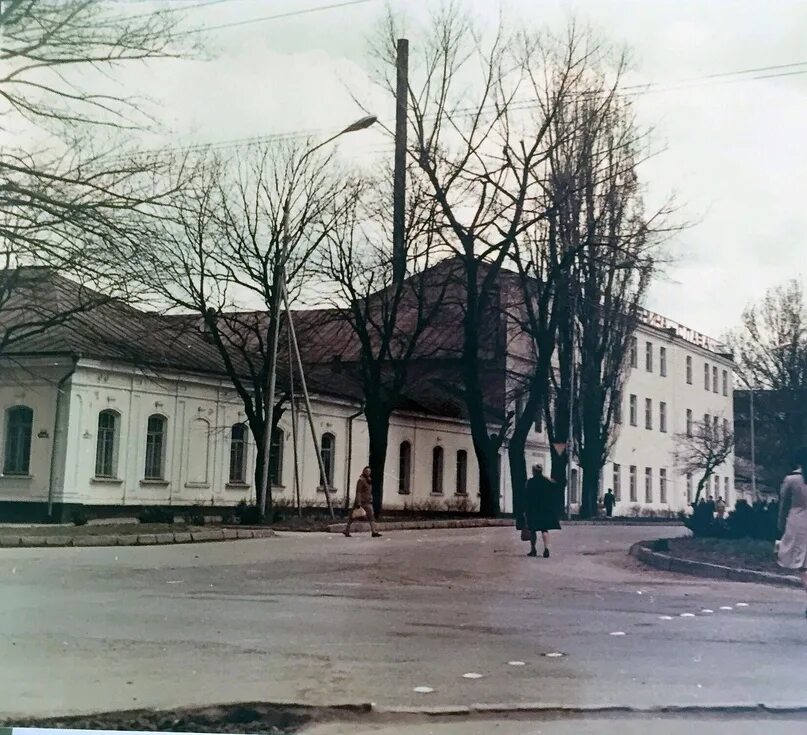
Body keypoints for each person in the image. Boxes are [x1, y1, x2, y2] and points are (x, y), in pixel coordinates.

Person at [776, 446, 807, 615]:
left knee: (801, 564)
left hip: (798, 522)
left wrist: (779, 525)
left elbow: (783, 504)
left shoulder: (791, 480)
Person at [523, 464, 561, 558]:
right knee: (544, 530)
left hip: (533, 509)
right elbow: (554, 493)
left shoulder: (530, 482)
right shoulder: (548, 482)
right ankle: (546, 548)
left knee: (533, 530)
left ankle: (533, 549)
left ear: (534, 471)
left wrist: (525, 510)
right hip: (545, 510)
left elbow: (526, 497)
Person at [344, 466, 381, 538]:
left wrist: (371, 497)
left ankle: (374, 532)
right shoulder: (361, 480)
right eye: (367, 471)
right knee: (353, 516)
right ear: (364, 471)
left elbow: (369, 491)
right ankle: (346, 530)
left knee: (371, 516)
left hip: (368, 501)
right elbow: (358, 491)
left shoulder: (369, 480)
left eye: (369, 471)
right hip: (361, 501)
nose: (368, 473)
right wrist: (358, 502)